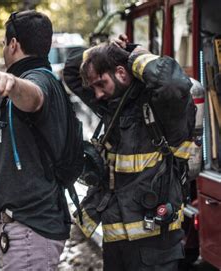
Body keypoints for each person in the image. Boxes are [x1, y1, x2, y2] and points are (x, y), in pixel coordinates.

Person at [62, 36, 196, 270]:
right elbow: (71, 71)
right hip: (116, 243)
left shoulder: (162, 109)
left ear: (122, 73)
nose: (97, 94)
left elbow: (174, 84)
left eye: (101, 84)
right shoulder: (112, 105)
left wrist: (135, 55)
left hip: (154, 244)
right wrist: (104, 49)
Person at [0, 10, 74, 270]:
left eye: (4, 43)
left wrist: (12, 82)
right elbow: (31, 159)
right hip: (27, 233)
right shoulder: (38, 80)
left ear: (13, 44)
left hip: (31, 233)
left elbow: (34, 97)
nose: (4, 49)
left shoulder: (38, 81)